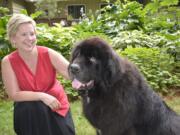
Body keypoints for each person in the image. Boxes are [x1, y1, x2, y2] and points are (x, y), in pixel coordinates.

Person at [1, 14, 75, 135]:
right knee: (31, 107)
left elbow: (72, 74)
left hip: (57, 106)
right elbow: (13, 94)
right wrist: (42, 96)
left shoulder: (48, 53)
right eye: (24, 34)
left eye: (32, 33)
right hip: (29, 112)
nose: (30, 38)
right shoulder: (8, 62)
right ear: (13, 38)